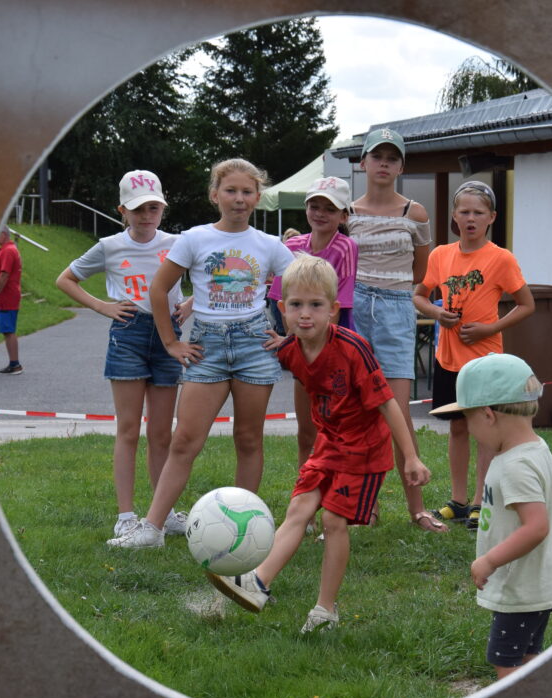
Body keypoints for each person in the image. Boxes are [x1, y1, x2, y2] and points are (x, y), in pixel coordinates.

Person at [208, 254, 432, 632]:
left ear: (334, 309)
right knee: (299, 508)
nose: (305, 315)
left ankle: (325, 610)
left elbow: (389, 405)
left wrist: (410, 457)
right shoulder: (291, 351)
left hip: (363, 451)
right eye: (295, 305)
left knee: (332, 520)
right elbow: (276, 349)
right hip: (328, 446)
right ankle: (257, 583)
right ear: (281, 309)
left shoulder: (352, 349)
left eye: (316, 305)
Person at [107, 158, 294, 549]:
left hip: (253, 345)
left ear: (257, 197)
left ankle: (248, 532)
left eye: (246, 192)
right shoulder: (194, 239)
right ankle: (152, 529)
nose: (239, 199)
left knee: (248, 439)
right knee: (185, 440)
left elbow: (299, 288)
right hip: (205, 347)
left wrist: (287, 336)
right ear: (215, 195)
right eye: (230, 191)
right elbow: (158, 291)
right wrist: (171, 342)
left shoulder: (269, 246)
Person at [56, 169, 193, 542]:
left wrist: (189, 303)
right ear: (122, 211)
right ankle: (126, 516)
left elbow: (210, 277)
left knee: (162, 433)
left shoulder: (179, 243)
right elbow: (65, 279)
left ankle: (159, 517)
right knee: (129, 429)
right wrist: (102, 306)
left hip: (169, 337)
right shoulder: (109, 246)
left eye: (153, 208)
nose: (146, 216)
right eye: (138, 209)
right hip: (128, 335)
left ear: (163, 208)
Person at [431, 353, 552, 680]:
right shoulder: (537, 448)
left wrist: (490, 560)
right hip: (540, 582)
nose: (469, 428)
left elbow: (537, 526)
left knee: (504, 661)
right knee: (527, 654)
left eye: (468, 419)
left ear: (487, 415)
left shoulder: (512, 466)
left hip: (521, 586)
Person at [413, 180, 534, 531]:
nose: (470, 218)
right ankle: (458, 500)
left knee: (484, 432)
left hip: (484, 362)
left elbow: (527, 305)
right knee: (457, 430)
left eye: (478, 213)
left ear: (491, 218)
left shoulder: (500, 258)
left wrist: (489, 329)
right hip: (448, 357)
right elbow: (419, 295)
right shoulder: (440, 255)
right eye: (464, 212)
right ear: (454, 215)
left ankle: (481, 502)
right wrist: (437, 314)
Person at [347, 128, 446, 532]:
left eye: (392, 158)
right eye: (377, 156)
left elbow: (422, 272)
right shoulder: (346, 212)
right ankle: (363, 508)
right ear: (364, 163)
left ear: (401, 166)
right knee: (356, 413)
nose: (384, 163)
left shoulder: (415, 213)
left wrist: (394, 294)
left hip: (395, 307)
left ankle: (417, 509)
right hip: (355, 308)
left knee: (398, 413)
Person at [267, 176, 358, 471]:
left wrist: (307, 342)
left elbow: (337, 307)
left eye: (329, 209)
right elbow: (281, 298)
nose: (320, 213)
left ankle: (355, 498)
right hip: (301, 350)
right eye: (314, 206)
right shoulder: (291, 245)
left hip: (334, 350)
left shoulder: (345, 247)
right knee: (306, 431)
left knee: (341, 430)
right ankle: (306, 495)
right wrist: (293, 341)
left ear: (343, 216)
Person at [0, 227, 23, 374]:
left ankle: (15, 364)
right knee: (7, 330)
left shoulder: (8, 251)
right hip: (7, 296)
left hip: (6, 296)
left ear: (3, 234)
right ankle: (13, 363)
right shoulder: (8, 249)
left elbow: (4, 274)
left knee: (8, 330)